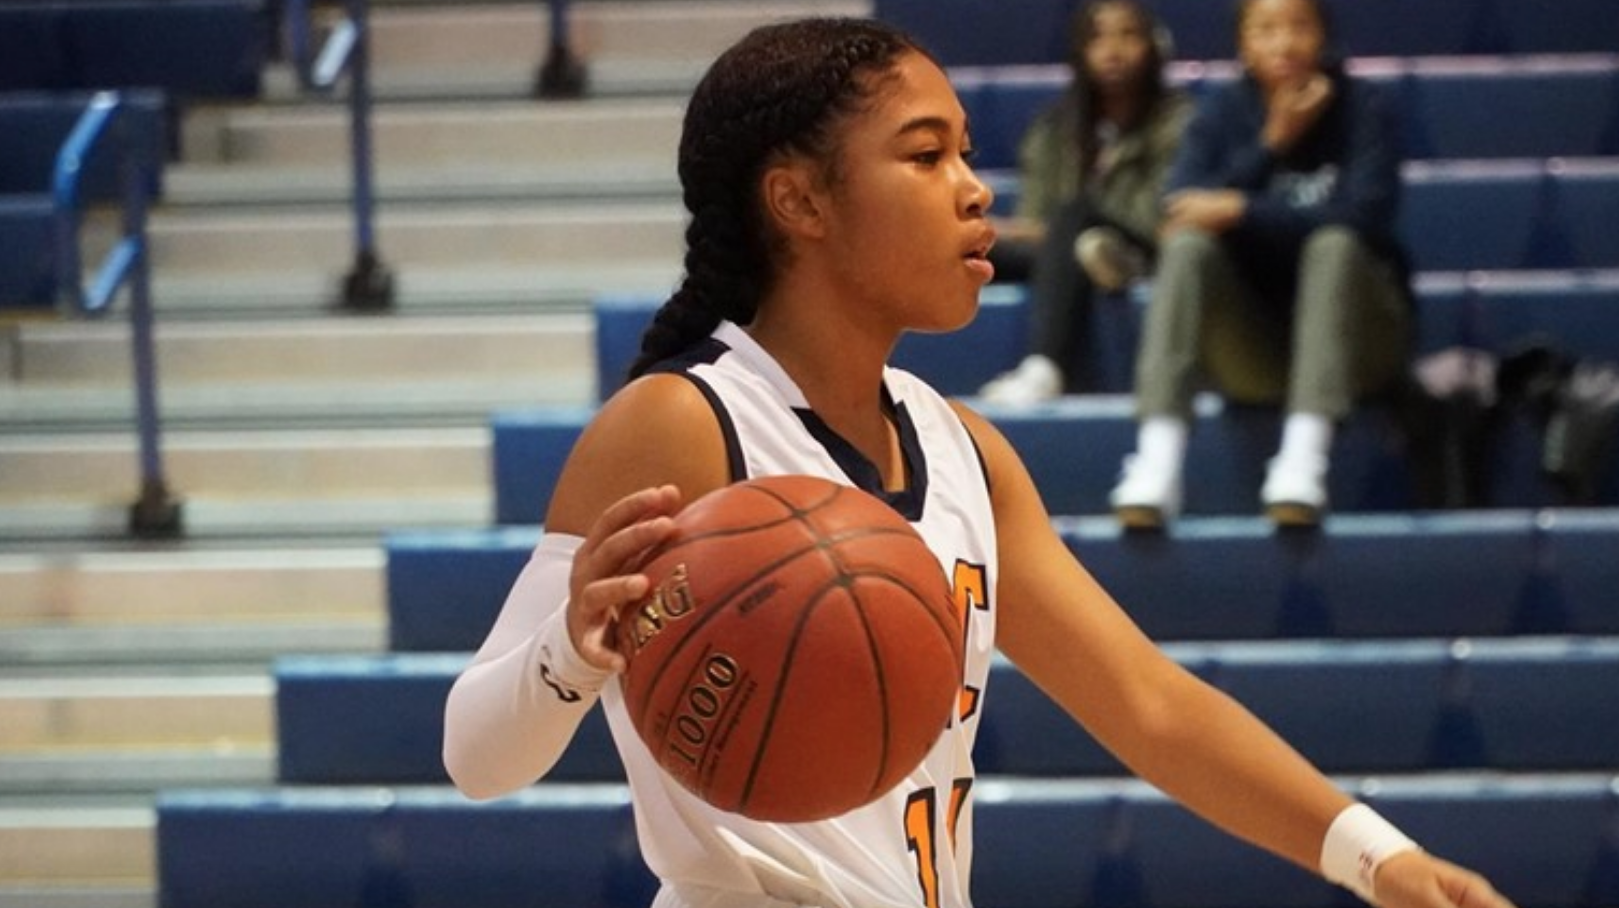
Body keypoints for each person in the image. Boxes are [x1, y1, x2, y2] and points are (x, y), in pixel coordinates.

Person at [443, 17, 1513, 908]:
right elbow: (476, 758)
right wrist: (567, 653)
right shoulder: (681, 423)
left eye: (963, 150)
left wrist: (1375, 855)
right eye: (924, 155)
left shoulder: (964, 448)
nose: (972, 188)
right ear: (798, 202)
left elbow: (1147, 702)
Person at [1108, 0, 1415, 529]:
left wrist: (1241, 209)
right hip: (1258, 352)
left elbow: (1368, 217)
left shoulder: (1364, 107)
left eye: (1299, 26)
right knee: (1187, 248)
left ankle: (1304, 459)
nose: (1284, 43)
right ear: (1243, 44)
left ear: (1324, 36)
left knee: (1333, 244)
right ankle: (1156, 463)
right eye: (1266, 29)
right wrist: (1272, 143)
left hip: (1361, 345)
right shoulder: (1222, 112)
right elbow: (1178, 210)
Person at [979, 0, 1193, 404]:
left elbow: (1162, 216)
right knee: (963, 245)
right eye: (1098, 37)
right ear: (1080, 51)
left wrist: (1056, 227)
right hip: (1060, 249)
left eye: (1127, 35)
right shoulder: (1053, 128)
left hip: (1144, 245)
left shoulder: (1182, 120)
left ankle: (1044, 367)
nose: (1112, 49)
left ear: (1154, 46)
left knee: (1077, 215)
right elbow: (1036, 217)